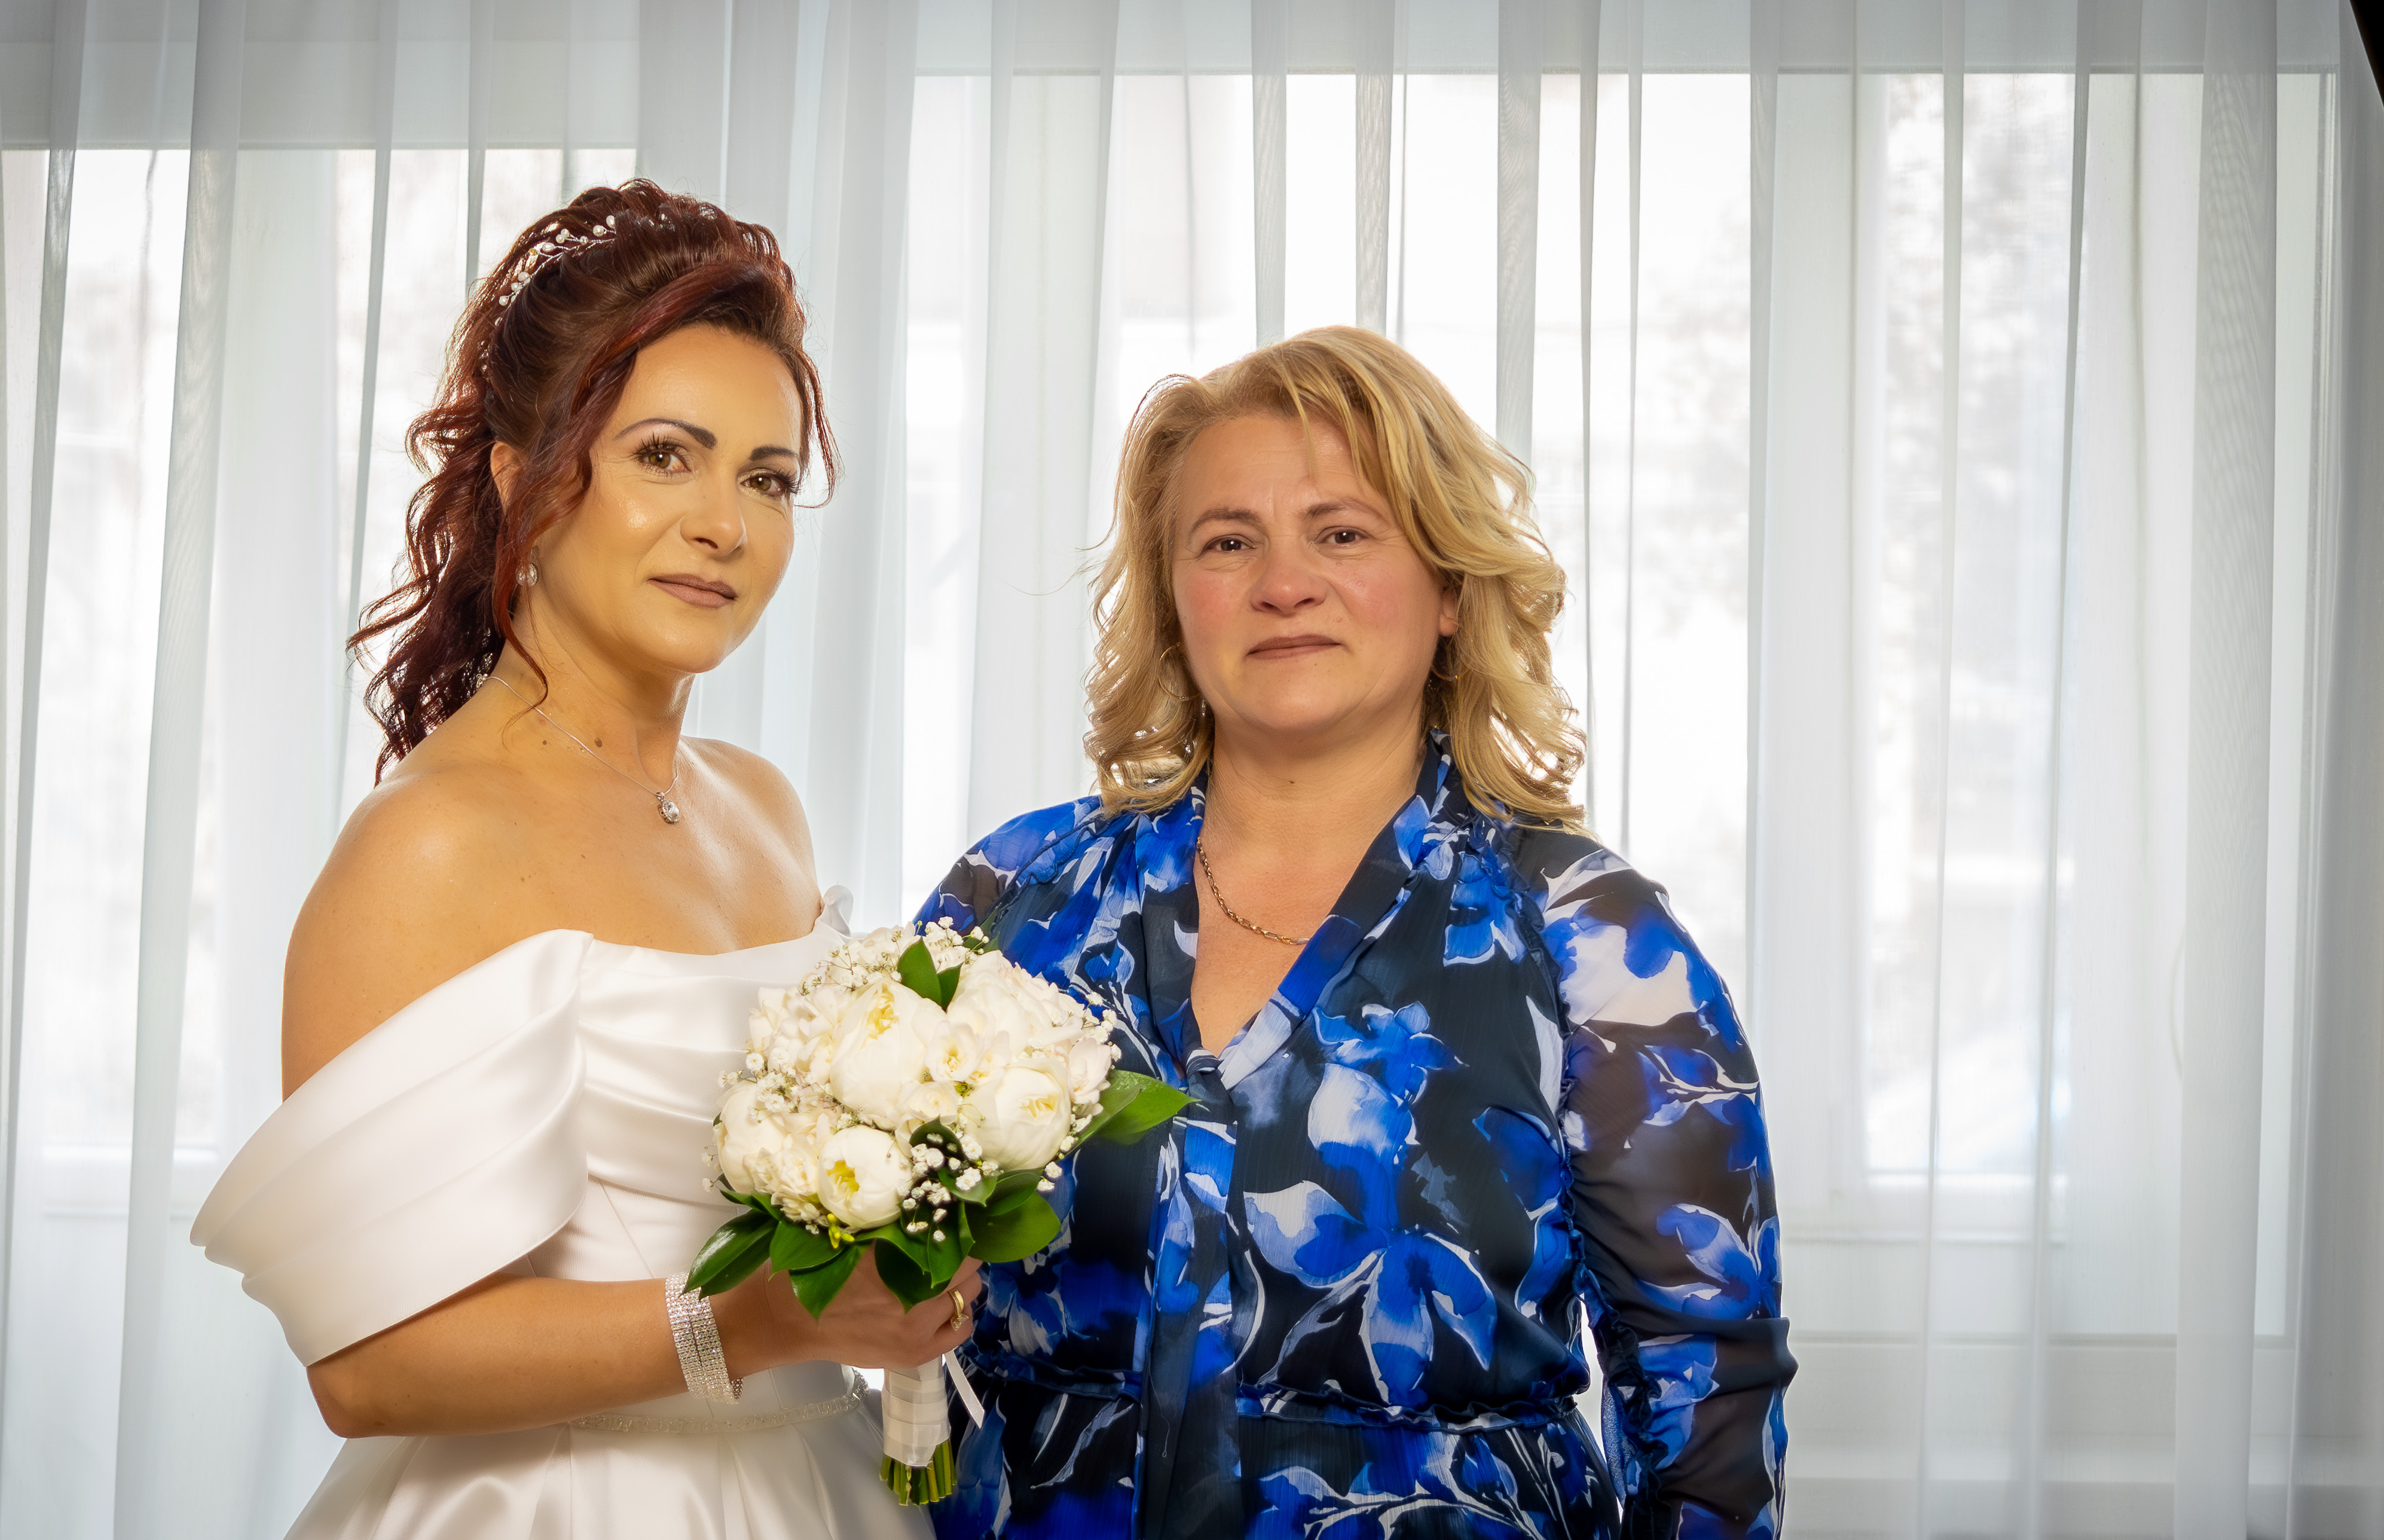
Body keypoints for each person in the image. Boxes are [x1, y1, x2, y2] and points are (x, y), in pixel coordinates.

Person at [916, 327, 1793, 1538]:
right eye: (1228, 541)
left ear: (1449, 589)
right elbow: (896, 1304)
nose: (1284, 583)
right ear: (1173, 600)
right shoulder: (1017, 894)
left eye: (1340, 533)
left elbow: (1706, 1397)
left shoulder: (1585, 934)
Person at [193, 181, 970, 1539]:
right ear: (524, 481)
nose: (724, 524)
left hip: (818, 1485)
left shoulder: (764, 807)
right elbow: (363, 1368)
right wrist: (752, 1322)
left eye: (767, 479)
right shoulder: (429, 843)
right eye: (665, 455)